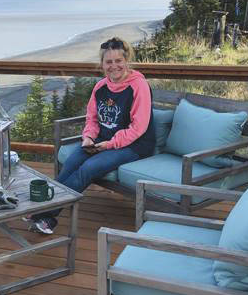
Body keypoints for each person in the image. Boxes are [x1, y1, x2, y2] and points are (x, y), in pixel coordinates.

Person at [28, 37, 156, 234]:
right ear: (102, 64)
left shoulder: (138, 85)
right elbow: (92, 118)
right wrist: (88, 137)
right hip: (101, 141)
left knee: (88, 167)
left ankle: (44, 215)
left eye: (118, 61)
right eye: (109, 62)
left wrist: (110, 144)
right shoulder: (101, 87)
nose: (114, 66)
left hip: (133, 145)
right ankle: (45, 213)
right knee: (71, 162)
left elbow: (138, 128)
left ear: (126, 60)